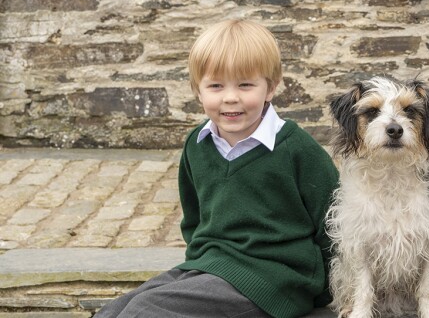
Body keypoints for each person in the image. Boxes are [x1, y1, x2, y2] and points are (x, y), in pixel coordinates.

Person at [97, 19, 339, 318]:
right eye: (215, 85)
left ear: (271, 87)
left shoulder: (297, 150)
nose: (230, 97)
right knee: (115, 310)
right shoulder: (197, 145)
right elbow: (195, 219)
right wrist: (197, 272)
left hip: (275, 279)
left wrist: (322, 293)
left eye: (245, 84)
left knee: (146, 311)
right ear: (198, 91)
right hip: (212, 266)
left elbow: (335, 228)